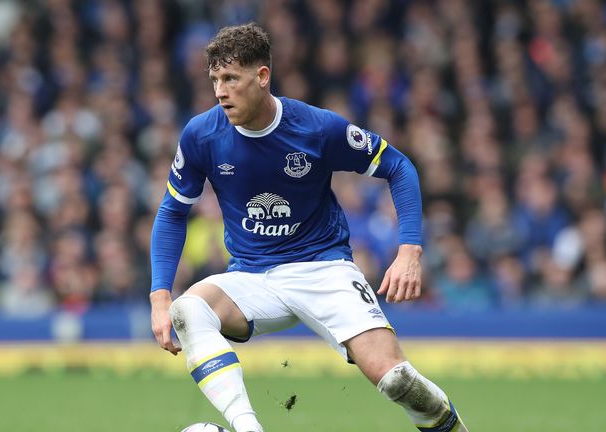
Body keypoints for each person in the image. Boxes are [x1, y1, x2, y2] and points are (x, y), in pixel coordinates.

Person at [150, 23, 468, 432]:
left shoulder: (315, 128)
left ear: (262, 76)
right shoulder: (201, 135)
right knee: (188, 309)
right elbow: (172, 212)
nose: (219, 90)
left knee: (397, 381)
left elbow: (398, 167)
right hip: (251, 275)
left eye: (230, 78)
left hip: (323, 268)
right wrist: (160, 295)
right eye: (214, 79)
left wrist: (409, 251)